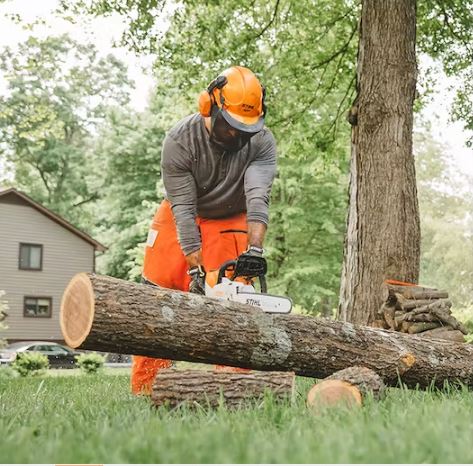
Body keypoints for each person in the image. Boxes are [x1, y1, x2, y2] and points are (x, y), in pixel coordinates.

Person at [131, 65, 277, 395]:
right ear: (208, 107)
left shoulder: (262, 143)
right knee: (157, 293)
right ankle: (148, 388)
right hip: (181, 216)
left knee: (236, 296)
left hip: (231, 217)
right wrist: (195, 268)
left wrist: (255, 250)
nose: (238, 138)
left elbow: (257, 195)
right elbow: (183, 210)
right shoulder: (179, 141)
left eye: (247, 130)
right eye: (231, 128)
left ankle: (233, 386)